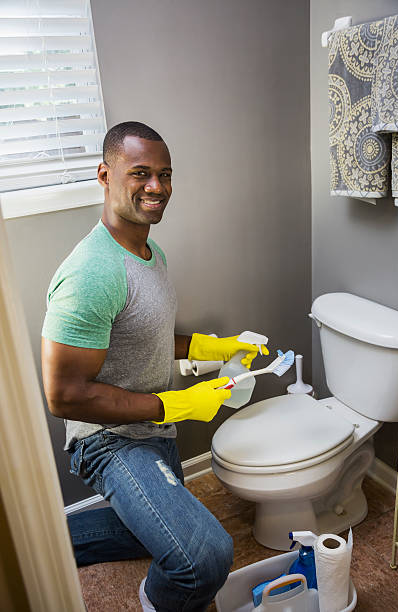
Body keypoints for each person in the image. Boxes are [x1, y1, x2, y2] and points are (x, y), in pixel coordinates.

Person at [41, 121, 268, 612]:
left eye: (165, 175)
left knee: (157, 536)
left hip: (151, 426)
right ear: (105, 174)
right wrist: (178, 404)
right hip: (109, 438)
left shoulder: (149, 252)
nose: (157, 188)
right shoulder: (91, 273)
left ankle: (36, 544)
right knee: (204, 555)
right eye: (140, 173)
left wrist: (215, 346)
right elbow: (64, 395)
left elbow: (149, 335)